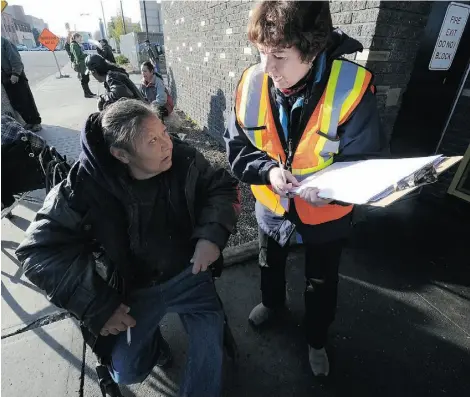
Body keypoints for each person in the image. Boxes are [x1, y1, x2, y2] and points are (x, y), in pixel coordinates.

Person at [16, 99, 240, 396]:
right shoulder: (82, 187)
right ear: (121, 154)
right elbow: (36, 251)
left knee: (209, 356)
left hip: (189, 274)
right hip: (134, 291)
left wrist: (211, 236)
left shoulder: (183, 158)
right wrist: (97, 305)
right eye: (152, 141)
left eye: (164, 132)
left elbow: (221, 187)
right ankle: (152, 344)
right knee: (127, 371)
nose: (166, 145)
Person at [224, 0, 389, 377]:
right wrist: (267, 172)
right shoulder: (252, 83)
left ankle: (316, 339)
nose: (268, 68)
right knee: (269, 261)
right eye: (262, 53)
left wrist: (330, 189)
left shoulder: (351, 88)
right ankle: (271, 303)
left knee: (321, 281)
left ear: (313, 49)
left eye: (279, 55)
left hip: (326, 213)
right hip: (271, 205)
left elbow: (367, 162)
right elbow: (236, 148)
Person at [1, 37, 42, 132]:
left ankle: (36, 122)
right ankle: (28, 122)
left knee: (26, 100)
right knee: (16, 103)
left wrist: (15, 74)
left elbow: (15, 59)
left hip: (16, 76)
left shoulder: (4, 42)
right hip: (5, 78)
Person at [70, 33, 96, 98]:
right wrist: (86, 55)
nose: (81, 39)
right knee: (84, 79)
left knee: (86, 78)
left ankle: (88, 92)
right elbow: (78, 57)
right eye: (80, 38)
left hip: (83, 64)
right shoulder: (74, 45)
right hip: (81, 65)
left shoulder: (75, 44)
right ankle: (86, 93)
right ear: (76, 37)